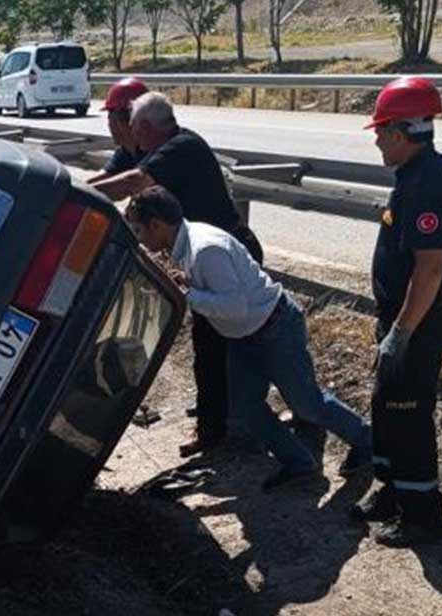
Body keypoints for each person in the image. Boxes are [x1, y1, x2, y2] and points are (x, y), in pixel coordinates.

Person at [126, 186, 373, 491]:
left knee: (307, 404)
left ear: (157, 225)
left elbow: (234, 306)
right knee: (245, 406)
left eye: (138, 229)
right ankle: (299, 462)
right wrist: (189, 286)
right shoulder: (185, 245)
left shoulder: (205, 249)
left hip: (274, 327)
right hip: (245, 335)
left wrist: (187, 294)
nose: (138, 237)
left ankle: (368, 442)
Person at [93, 90, 264, 458]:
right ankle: (225, 416)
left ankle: (219, 428)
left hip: (226, 255)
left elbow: (131, 184)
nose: (133, 141)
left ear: (145, 127)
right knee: (221, 344)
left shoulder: (180, 147)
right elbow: (118, 180)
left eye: (135, 131)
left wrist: (75, 196)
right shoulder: (158, 146)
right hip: (209, 257)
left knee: (231, 342)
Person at [352, 76, 442, 547]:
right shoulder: (419, 173)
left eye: (381, 131)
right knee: (386, 403)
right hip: (404, 318)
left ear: (401, 133)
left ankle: (422, 516)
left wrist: (401, 332)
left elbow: (431, 267)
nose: (377, 139)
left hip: (419, 323)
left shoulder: (427, 183)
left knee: (408, 411)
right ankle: (391, 491)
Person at [86, 77, 147, 186]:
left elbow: (122, 187)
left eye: (110, 116)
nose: (109, 123)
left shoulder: (156, 152)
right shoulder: (127, 151)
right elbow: (101, 178)